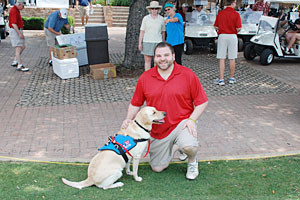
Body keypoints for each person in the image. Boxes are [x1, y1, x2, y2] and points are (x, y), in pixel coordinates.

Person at [121, 42, 208, 180]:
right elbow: (135, 103)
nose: (162, 59)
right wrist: (128, 119)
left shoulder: (187, 74)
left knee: (189, 146)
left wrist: (192, 120)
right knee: (157, 168)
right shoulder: (145, 77)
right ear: (154, 58)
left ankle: (192, 161)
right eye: (159, 56)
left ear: (173, 56)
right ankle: (176, 147)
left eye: (166, 55)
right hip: (158, 131)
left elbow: (202, 101)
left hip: (182, 123)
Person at [214, 0, 241, 86]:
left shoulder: (221, 13)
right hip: (232, 36)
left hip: (222, 35)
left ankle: (221, 79)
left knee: (222, 58)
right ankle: (231, 78)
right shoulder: (236, 14)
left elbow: (215, 26)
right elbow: (238, 28)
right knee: (232, 58)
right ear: (233, 3)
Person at [139, 1, 166, 71]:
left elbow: (163, 32)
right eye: (152, 9)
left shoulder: (161, 19)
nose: (154, 10)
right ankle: (147, 77)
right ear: (150, 10)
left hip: (158, 42)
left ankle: (155, 76)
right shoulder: (145, 18)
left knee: (156, 61)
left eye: (156, 9)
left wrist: (163, 42)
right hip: (147, 41)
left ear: (158, 10)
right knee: (147, 61)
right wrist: (140, 43)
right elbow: (142, 31)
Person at [9, 0, 29, 72]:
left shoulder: (16, 10)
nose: (23, 8)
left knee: (22, 46)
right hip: (15, 31)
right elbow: (13, 23)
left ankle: (15, 60)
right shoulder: (14, 11)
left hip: (17, 30)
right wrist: (19, 33)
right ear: (19, 4)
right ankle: (19, 65)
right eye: (23, 6)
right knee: (18, 48)